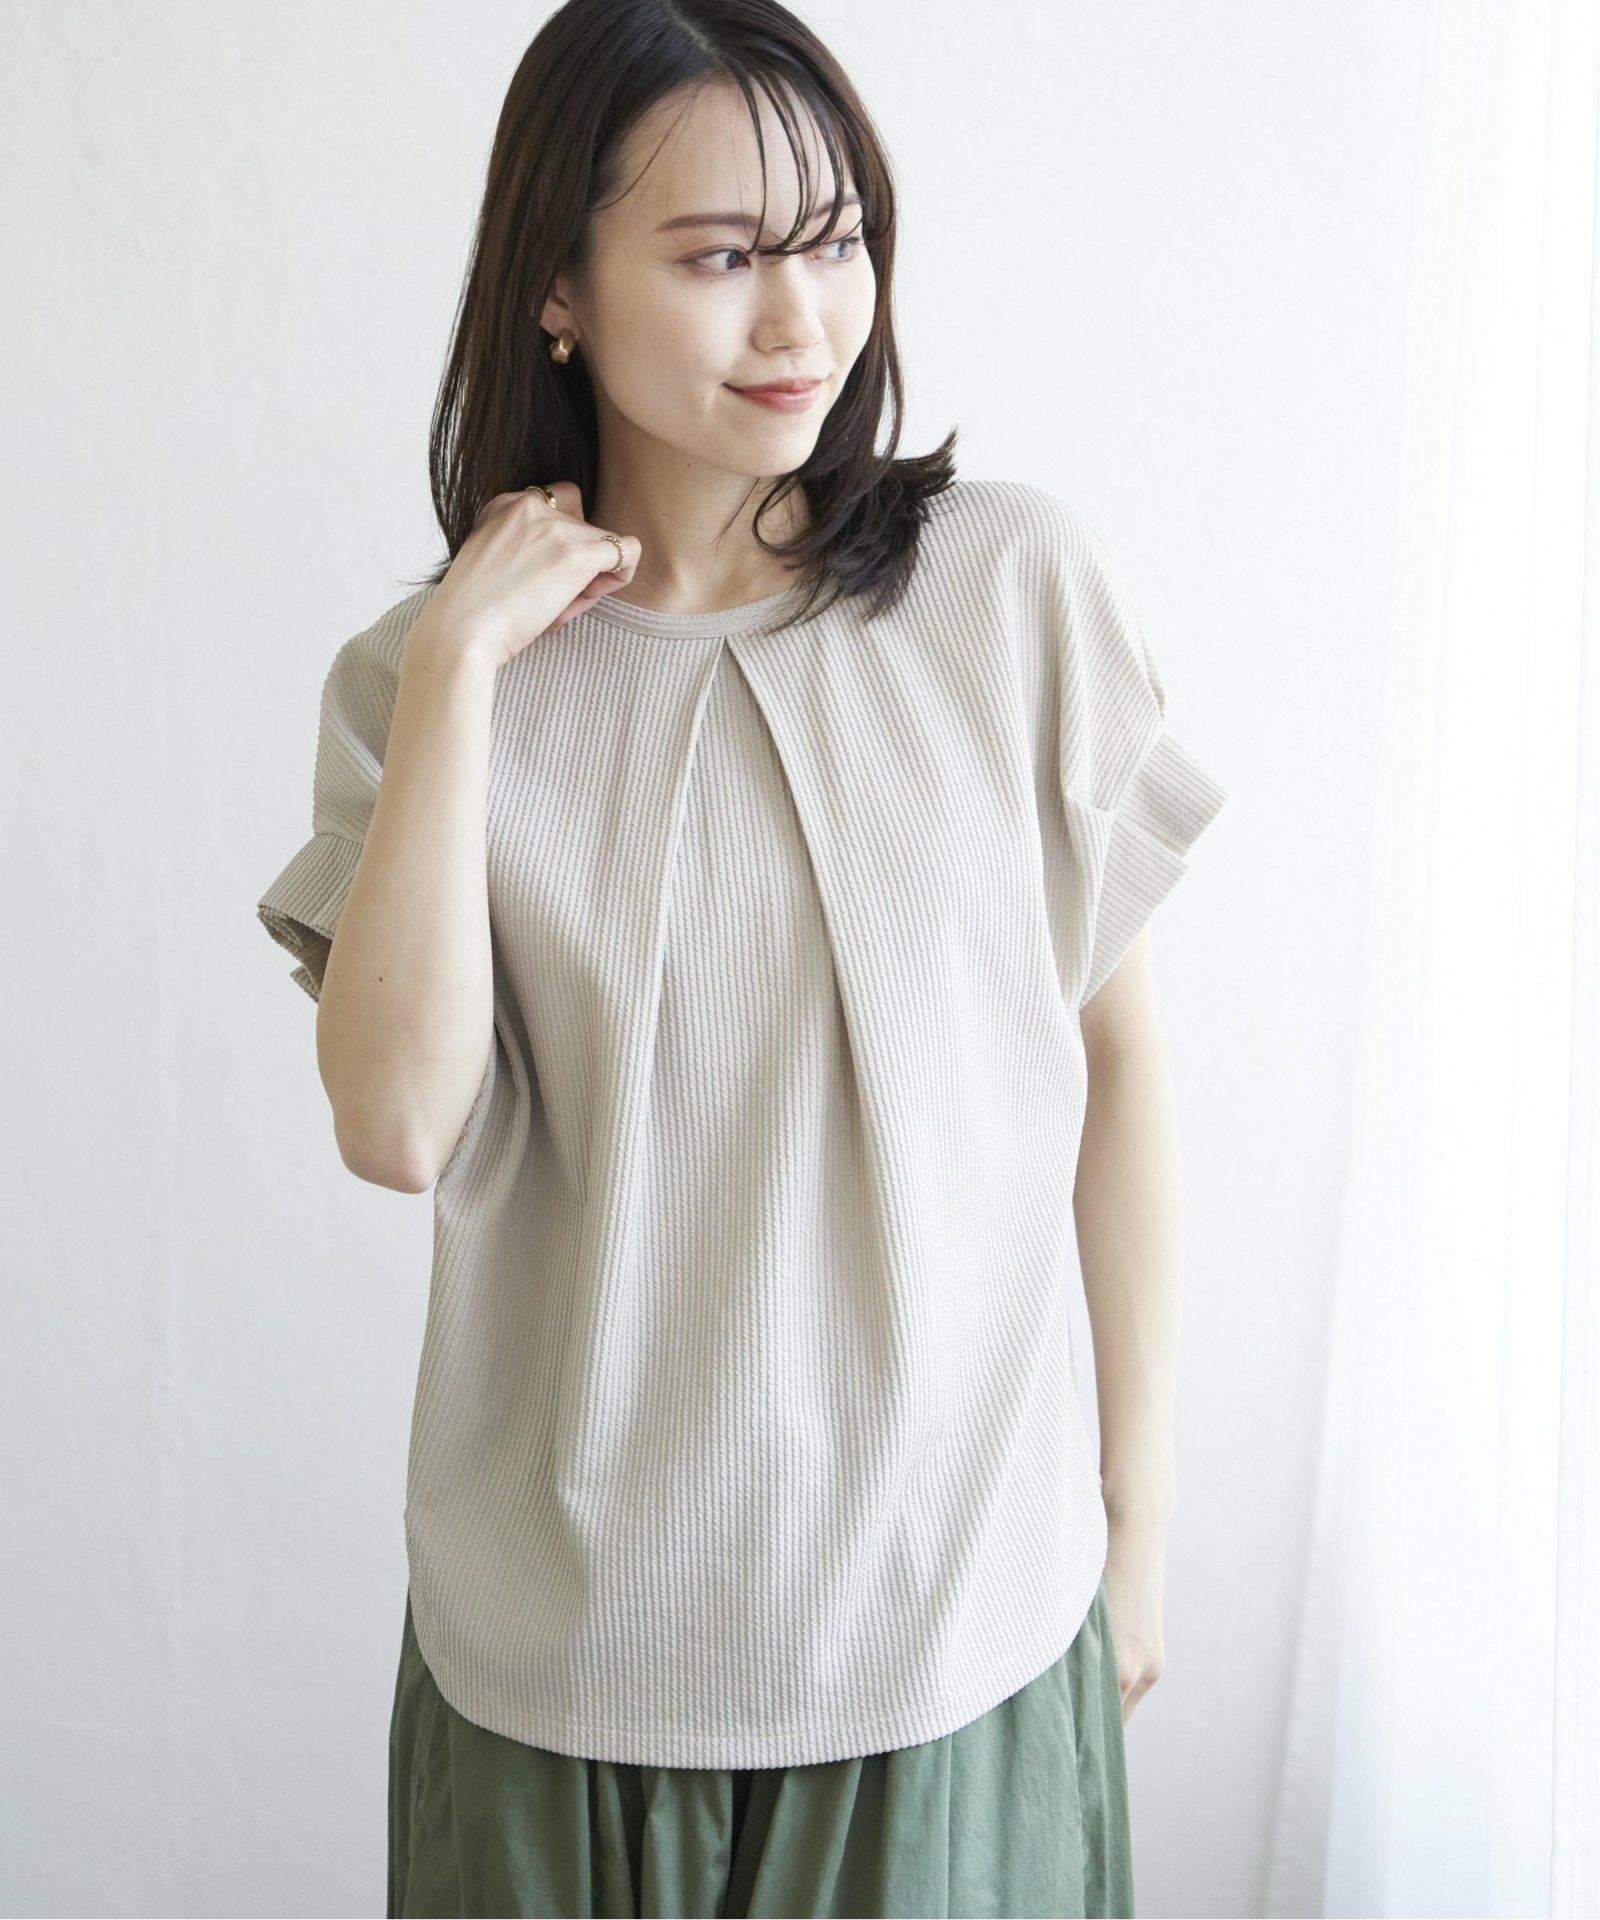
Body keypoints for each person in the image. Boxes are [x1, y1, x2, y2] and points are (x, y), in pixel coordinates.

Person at [255, 2, 1229, 1914]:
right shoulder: (422, 685)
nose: (802, 320)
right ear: (557, 286)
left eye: (836, 241)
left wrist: (1139, 1527)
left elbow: (1114, 1067)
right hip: (557, 1681)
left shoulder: (1011, 590)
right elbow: (393, 1124)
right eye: (718, 259)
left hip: (959, 1645)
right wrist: (461, 670)